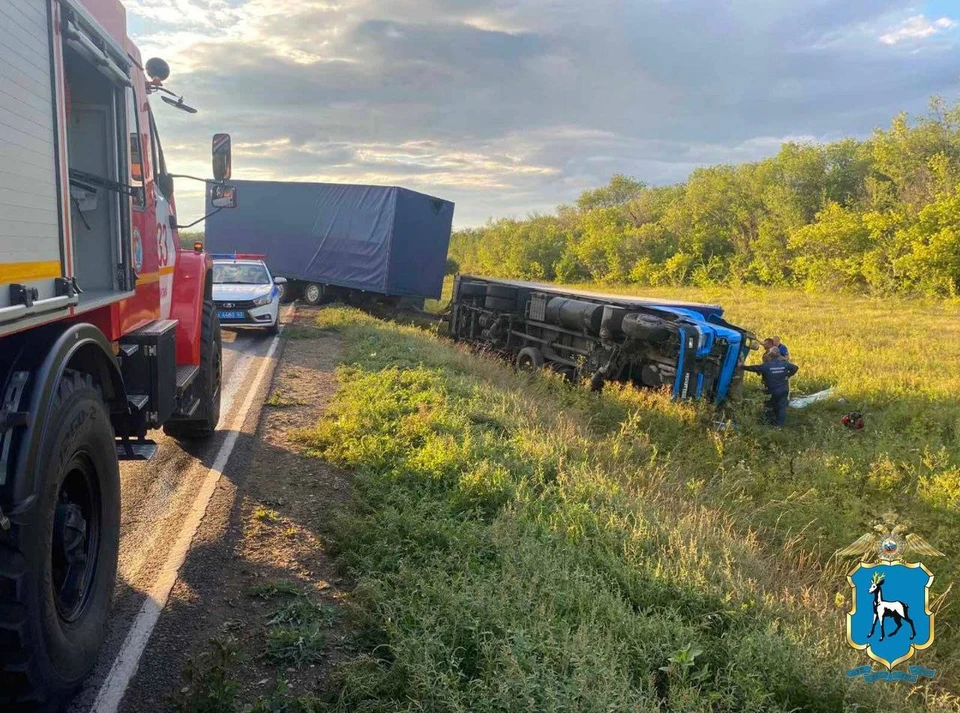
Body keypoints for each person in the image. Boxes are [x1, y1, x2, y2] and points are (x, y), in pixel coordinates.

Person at [744, 348, 798, 427]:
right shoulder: (784, 364)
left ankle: (768, 422)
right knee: (781, 408)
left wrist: (742, 366)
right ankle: (779, 426)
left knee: (769, 405)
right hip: (783, 390)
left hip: (771, 391)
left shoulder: (766, 366)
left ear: (769, 356)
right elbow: (795, 368)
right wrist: (788, 375)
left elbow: (754, 368)